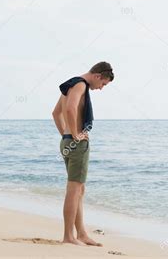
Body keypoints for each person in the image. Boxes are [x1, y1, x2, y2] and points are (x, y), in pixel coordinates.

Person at [52, 61, 114, 246]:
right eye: (103, 84)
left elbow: (56, 113)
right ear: (97, 76)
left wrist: (67, 135)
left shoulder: (70, 85)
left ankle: (81, 233)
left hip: (66, 141)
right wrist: (76, 135)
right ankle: (68, 237)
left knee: (79, 189)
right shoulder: (80, 84)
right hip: (76, 143)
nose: (101, 88)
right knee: (74, 190)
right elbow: (70, 109)